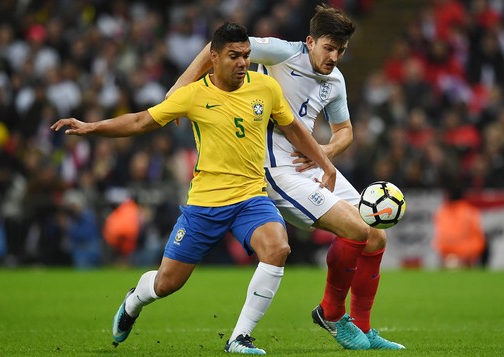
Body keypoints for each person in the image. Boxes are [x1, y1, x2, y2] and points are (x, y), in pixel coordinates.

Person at [51, 22, 336, 355]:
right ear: (213, 58)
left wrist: (326, 164)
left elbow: (295, 129)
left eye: (246, 55)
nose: (243, 63)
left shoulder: (265, 88)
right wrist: (92, 127)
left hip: (250, 198)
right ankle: (134, 301)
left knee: (277, 248)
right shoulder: (193, 95)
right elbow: (141, 121)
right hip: (205, 205)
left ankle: (239, 338)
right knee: (166, 283)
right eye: (234, 56)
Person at [167, 4, 404, 350]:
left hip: (308, 165)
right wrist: (179, 86)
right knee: (356, 229)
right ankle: (331, 314)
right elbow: (215, 48)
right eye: (328, 47)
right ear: (309, 41)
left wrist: (323, 152)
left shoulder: (335, 80)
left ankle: (365, 329)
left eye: (340, 50)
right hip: (274, 169)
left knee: (375, 238)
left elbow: (345, 132)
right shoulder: (280, 52)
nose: (334, 56)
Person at [432, 186, 486, 268]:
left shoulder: (441, 212)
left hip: (447, 253)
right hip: (466, 255)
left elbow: (439, 238)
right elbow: (479, 239)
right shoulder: (470, 212)